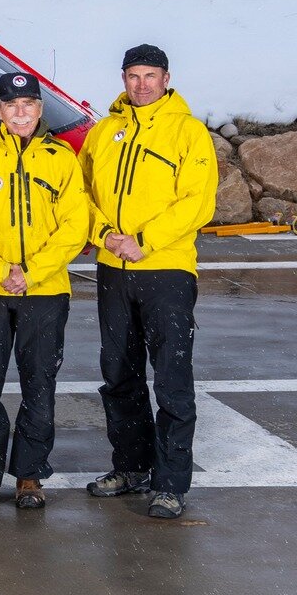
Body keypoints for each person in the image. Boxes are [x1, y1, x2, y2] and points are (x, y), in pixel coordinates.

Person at [80, 44, 217, 520]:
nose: (141, 84)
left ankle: (171, 482)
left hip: (166, 268)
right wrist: (104, 236)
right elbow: (84, 194)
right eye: (133, 75)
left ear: (166, 77)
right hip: (113, 268)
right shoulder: (104, 132)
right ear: (123, 78)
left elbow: (197, 203)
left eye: (150, 75)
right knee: (119, 373)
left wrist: (144, 239)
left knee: (171, 375)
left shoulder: (188, 132)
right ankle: (131, 466)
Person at [0, 72, 91, 511]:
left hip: (45, 289)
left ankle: (30, 474)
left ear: (39, 109)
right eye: (11, 104)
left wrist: (31, 271)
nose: (20, 112)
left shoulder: (61, 158)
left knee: (39, 383)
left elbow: (75, 225)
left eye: (29, 104)